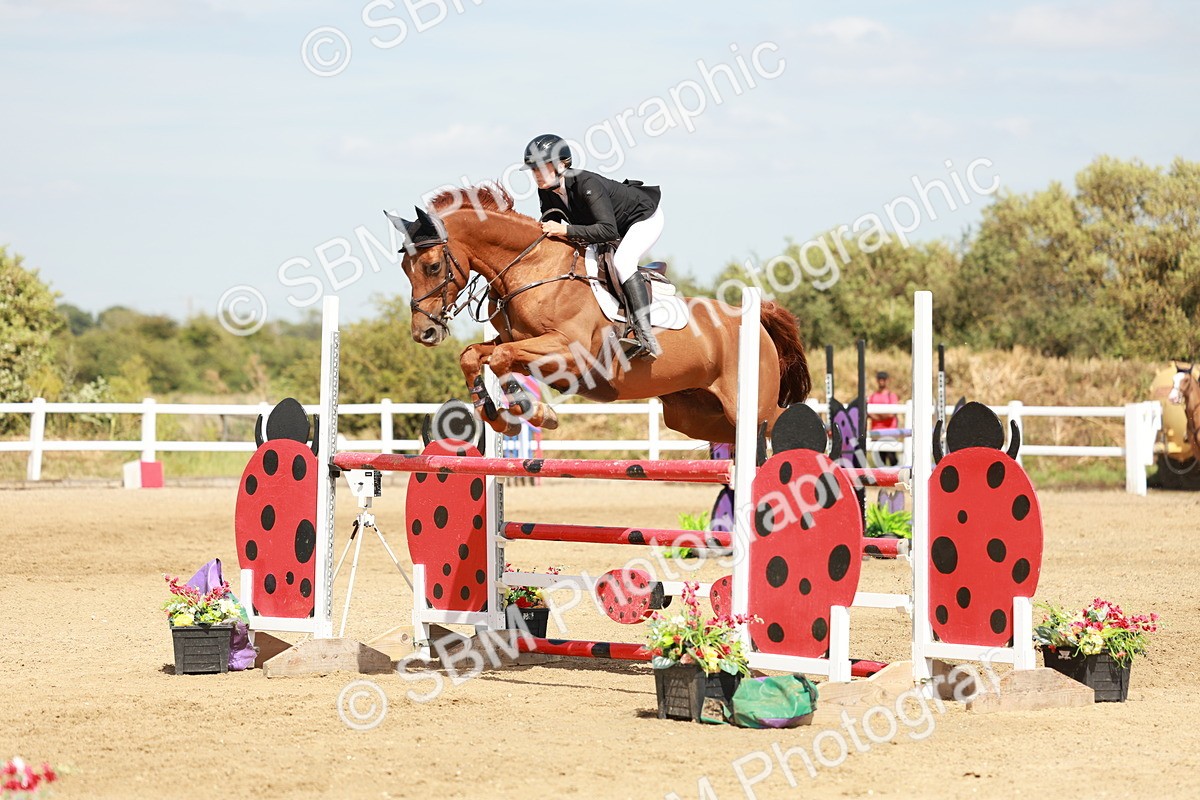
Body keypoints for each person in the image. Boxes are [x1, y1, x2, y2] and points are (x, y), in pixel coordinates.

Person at [521, 133, 664, 360]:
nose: (536, 175)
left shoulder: (587, 184)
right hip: (608, 225)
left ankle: (645, 336)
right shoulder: (546, 191)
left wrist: (566, 231)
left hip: (642, 219)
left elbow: (608, 231)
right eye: (533, 169)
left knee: (623, 262)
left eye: (541, 168)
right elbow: (550, 230)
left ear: (561, 164)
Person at [868, 371, 900, 467]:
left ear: (887, 381)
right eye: (880, 379)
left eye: (883, 379)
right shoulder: (873, 396)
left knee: (892, 459)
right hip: (876, 433)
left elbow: (891, 414)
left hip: (890, 432)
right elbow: (869, 413)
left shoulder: (891, 396)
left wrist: (877, 415)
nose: (881, 381)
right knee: (879, 462)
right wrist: (883, 415)